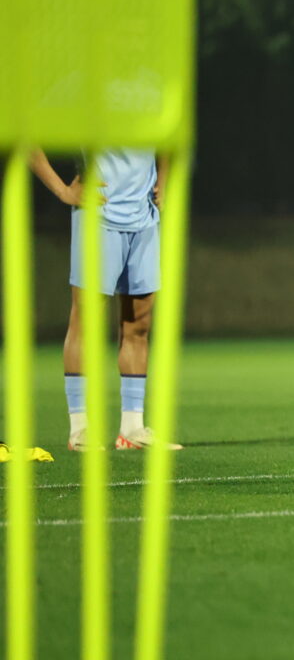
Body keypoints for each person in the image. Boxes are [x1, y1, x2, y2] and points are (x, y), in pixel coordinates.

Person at [29, 149, 181, 450]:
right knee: (86, 321)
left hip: (145, 218)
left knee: (139, 324)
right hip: (99, 216)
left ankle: (132, 429)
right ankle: (80, 429)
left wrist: (163, 180)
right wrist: (63, 191)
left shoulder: (153, 100)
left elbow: (167, 142)